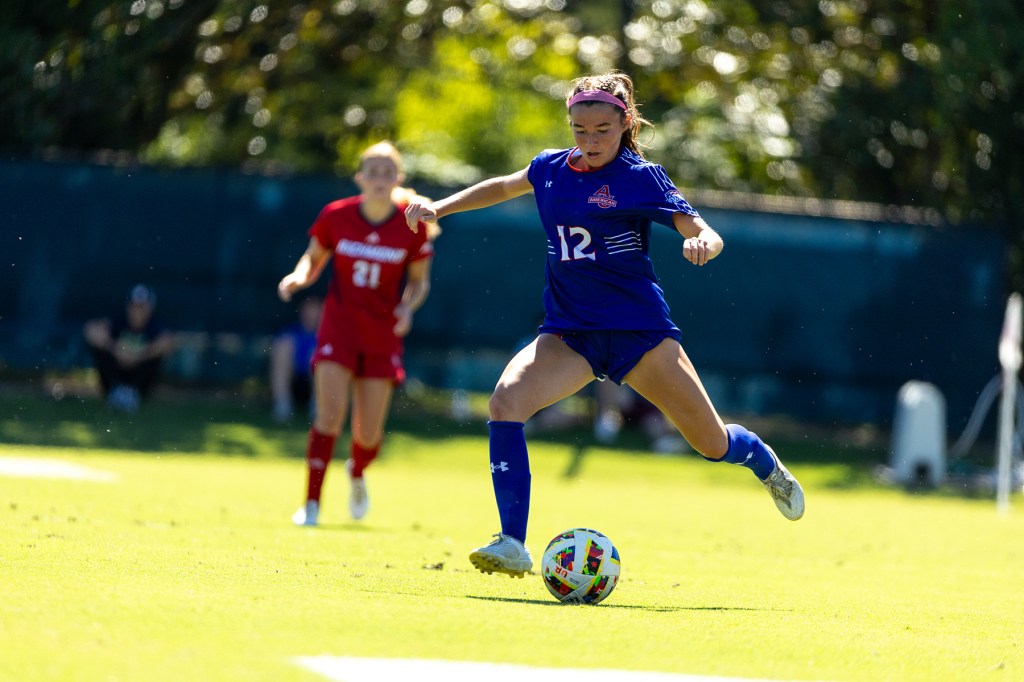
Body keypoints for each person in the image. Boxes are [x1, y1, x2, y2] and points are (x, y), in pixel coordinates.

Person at [405, 71, 804, 578]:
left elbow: (699, 227)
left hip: (639, 333)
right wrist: (440, 206)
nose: (590, 140)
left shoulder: (642, 177)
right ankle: (511, 542)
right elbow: (504, 186)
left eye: (601, 130)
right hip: (570, 332)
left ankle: (761, 460)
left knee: (712, 444)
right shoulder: (550, 169)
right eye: (579, 129)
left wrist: (704, 242)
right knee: (505, 402)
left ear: (625, 124)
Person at [277, 141, 436, 525]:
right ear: (360, 178)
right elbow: (313, 259)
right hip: (340, 327)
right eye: (373, 171)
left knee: (367, 435)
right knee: (329, 416)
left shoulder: (412, 224)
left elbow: (419, 283)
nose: (380, 179)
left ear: (397, 179)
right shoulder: (337, 215)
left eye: (387, 172)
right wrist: (298, 278)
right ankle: (311, 504)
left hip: (382, 335)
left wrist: (406, 307)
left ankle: (358, 470)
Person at [83, 284, 176, 412]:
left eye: (142, 308)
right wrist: (116, 349)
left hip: (139, 375)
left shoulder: (155, 325)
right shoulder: (118, 320)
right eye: (134, 307)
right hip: (116, 371)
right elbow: (91, 330)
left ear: (150, 309)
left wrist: (138, 355)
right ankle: (114, 392)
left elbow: (168, 342)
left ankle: (133, 394)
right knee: (100, 351)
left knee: (157, 355)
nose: (137, 312)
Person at [269, 294, 322, 423]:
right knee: (283, 347)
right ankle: (282, 405)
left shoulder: (326, 334)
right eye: (308, 309)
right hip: (293, 381)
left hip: (318, 383)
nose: (311, 313)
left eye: (315, 309)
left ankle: (318, 407)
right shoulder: (290, 333)